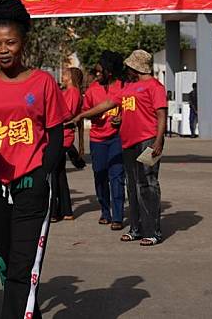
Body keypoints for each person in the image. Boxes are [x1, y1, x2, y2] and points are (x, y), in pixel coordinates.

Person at [0, 0, 69, 319]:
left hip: (31, 182)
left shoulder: (43, 82)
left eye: (10, 42)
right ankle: (26, 310)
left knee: (23, 262)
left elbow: (56, 135)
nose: (3, 50)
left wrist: (42, 177)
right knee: (6, 255)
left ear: (23, 43)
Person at [73, 49, 167, 246]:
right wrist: (83, 115)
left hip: (148, 142)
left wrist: (158, 141)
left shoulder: (155, 87)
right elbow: (108, 104)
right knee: (132, 186)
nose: (126, 70)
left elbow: (161, 116)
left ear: (136, 67)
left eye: (129, 66)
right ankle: (136, 229)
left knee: (148, 185)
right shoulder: (129, 88)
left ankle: (153, 232)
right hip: (128, 143)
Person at [82, 51, 126, 230]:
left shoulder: (123, 86)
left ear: (110, 71)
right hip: (97, 139)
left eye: (100, 71)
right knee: (100, 175)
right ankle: (105, 211)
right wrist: (94, 117)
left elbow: (130, 109)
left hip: (117, 139)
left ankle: (117, 217)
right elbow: (86, 111)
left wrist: (122, 119)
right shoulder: (92, 89)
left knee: (116, 177)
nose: (97, 74)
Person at [51, 67, 84, 222]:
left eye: (64, 74)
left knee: (53, 172)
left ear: (70, 77)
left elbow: (68, 113)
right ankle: (66, 210)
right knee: (59, 174)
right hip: (62, 135)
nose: (62, 76)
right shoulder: (68, 92)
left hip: (62, 136)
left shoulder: (72, 92)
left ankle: (54, 211)